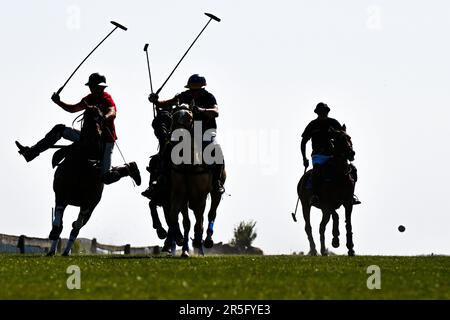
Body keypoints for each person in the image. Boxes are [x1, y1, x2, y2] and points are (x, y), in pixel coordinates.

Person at [15, 72, 141, 186]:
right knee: (60, 129)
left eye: (94, 86)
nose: (91, 88)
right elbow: (73, 109)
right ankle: (32, 152)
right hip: (87, 136)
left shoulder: (107, 98)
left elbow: (112, 112)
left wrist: (104, 117)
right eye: (90, 86)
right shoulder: (89, 98)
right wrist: (58, 102)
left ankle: (128, 168)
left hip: (106, 141)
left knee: (106, 178)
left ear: (101, 87)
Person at [146, 74, 225, 194]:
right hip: (186, 132)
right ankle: (159, 179)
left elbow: (216, 111)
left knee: (216, 151)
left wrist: (201, 110)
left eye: (196, 90)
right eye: (192, 89)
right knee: (166, 150)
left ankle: (216, 182)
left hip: (205, 132)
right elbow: (166, 103)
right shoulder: (183, 95)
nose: (193, 92)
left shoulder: (209, 97)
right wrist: (156, 101)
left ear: (202, 88)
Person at [301, 102, 360, 205]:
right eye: (321, 111)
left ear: (327, 112)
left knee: (350, 170)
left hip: (332, 154)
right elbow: (303, 142)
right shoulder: (312, 125)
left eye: (325, 111)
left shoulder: (333, 122)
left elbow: (344, 136)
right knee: (317, 171)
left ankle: (350, 196)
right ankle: (315, 195)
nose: (323, 113)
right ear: (317, 112)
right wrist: (304, 158)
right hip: (318, 155)